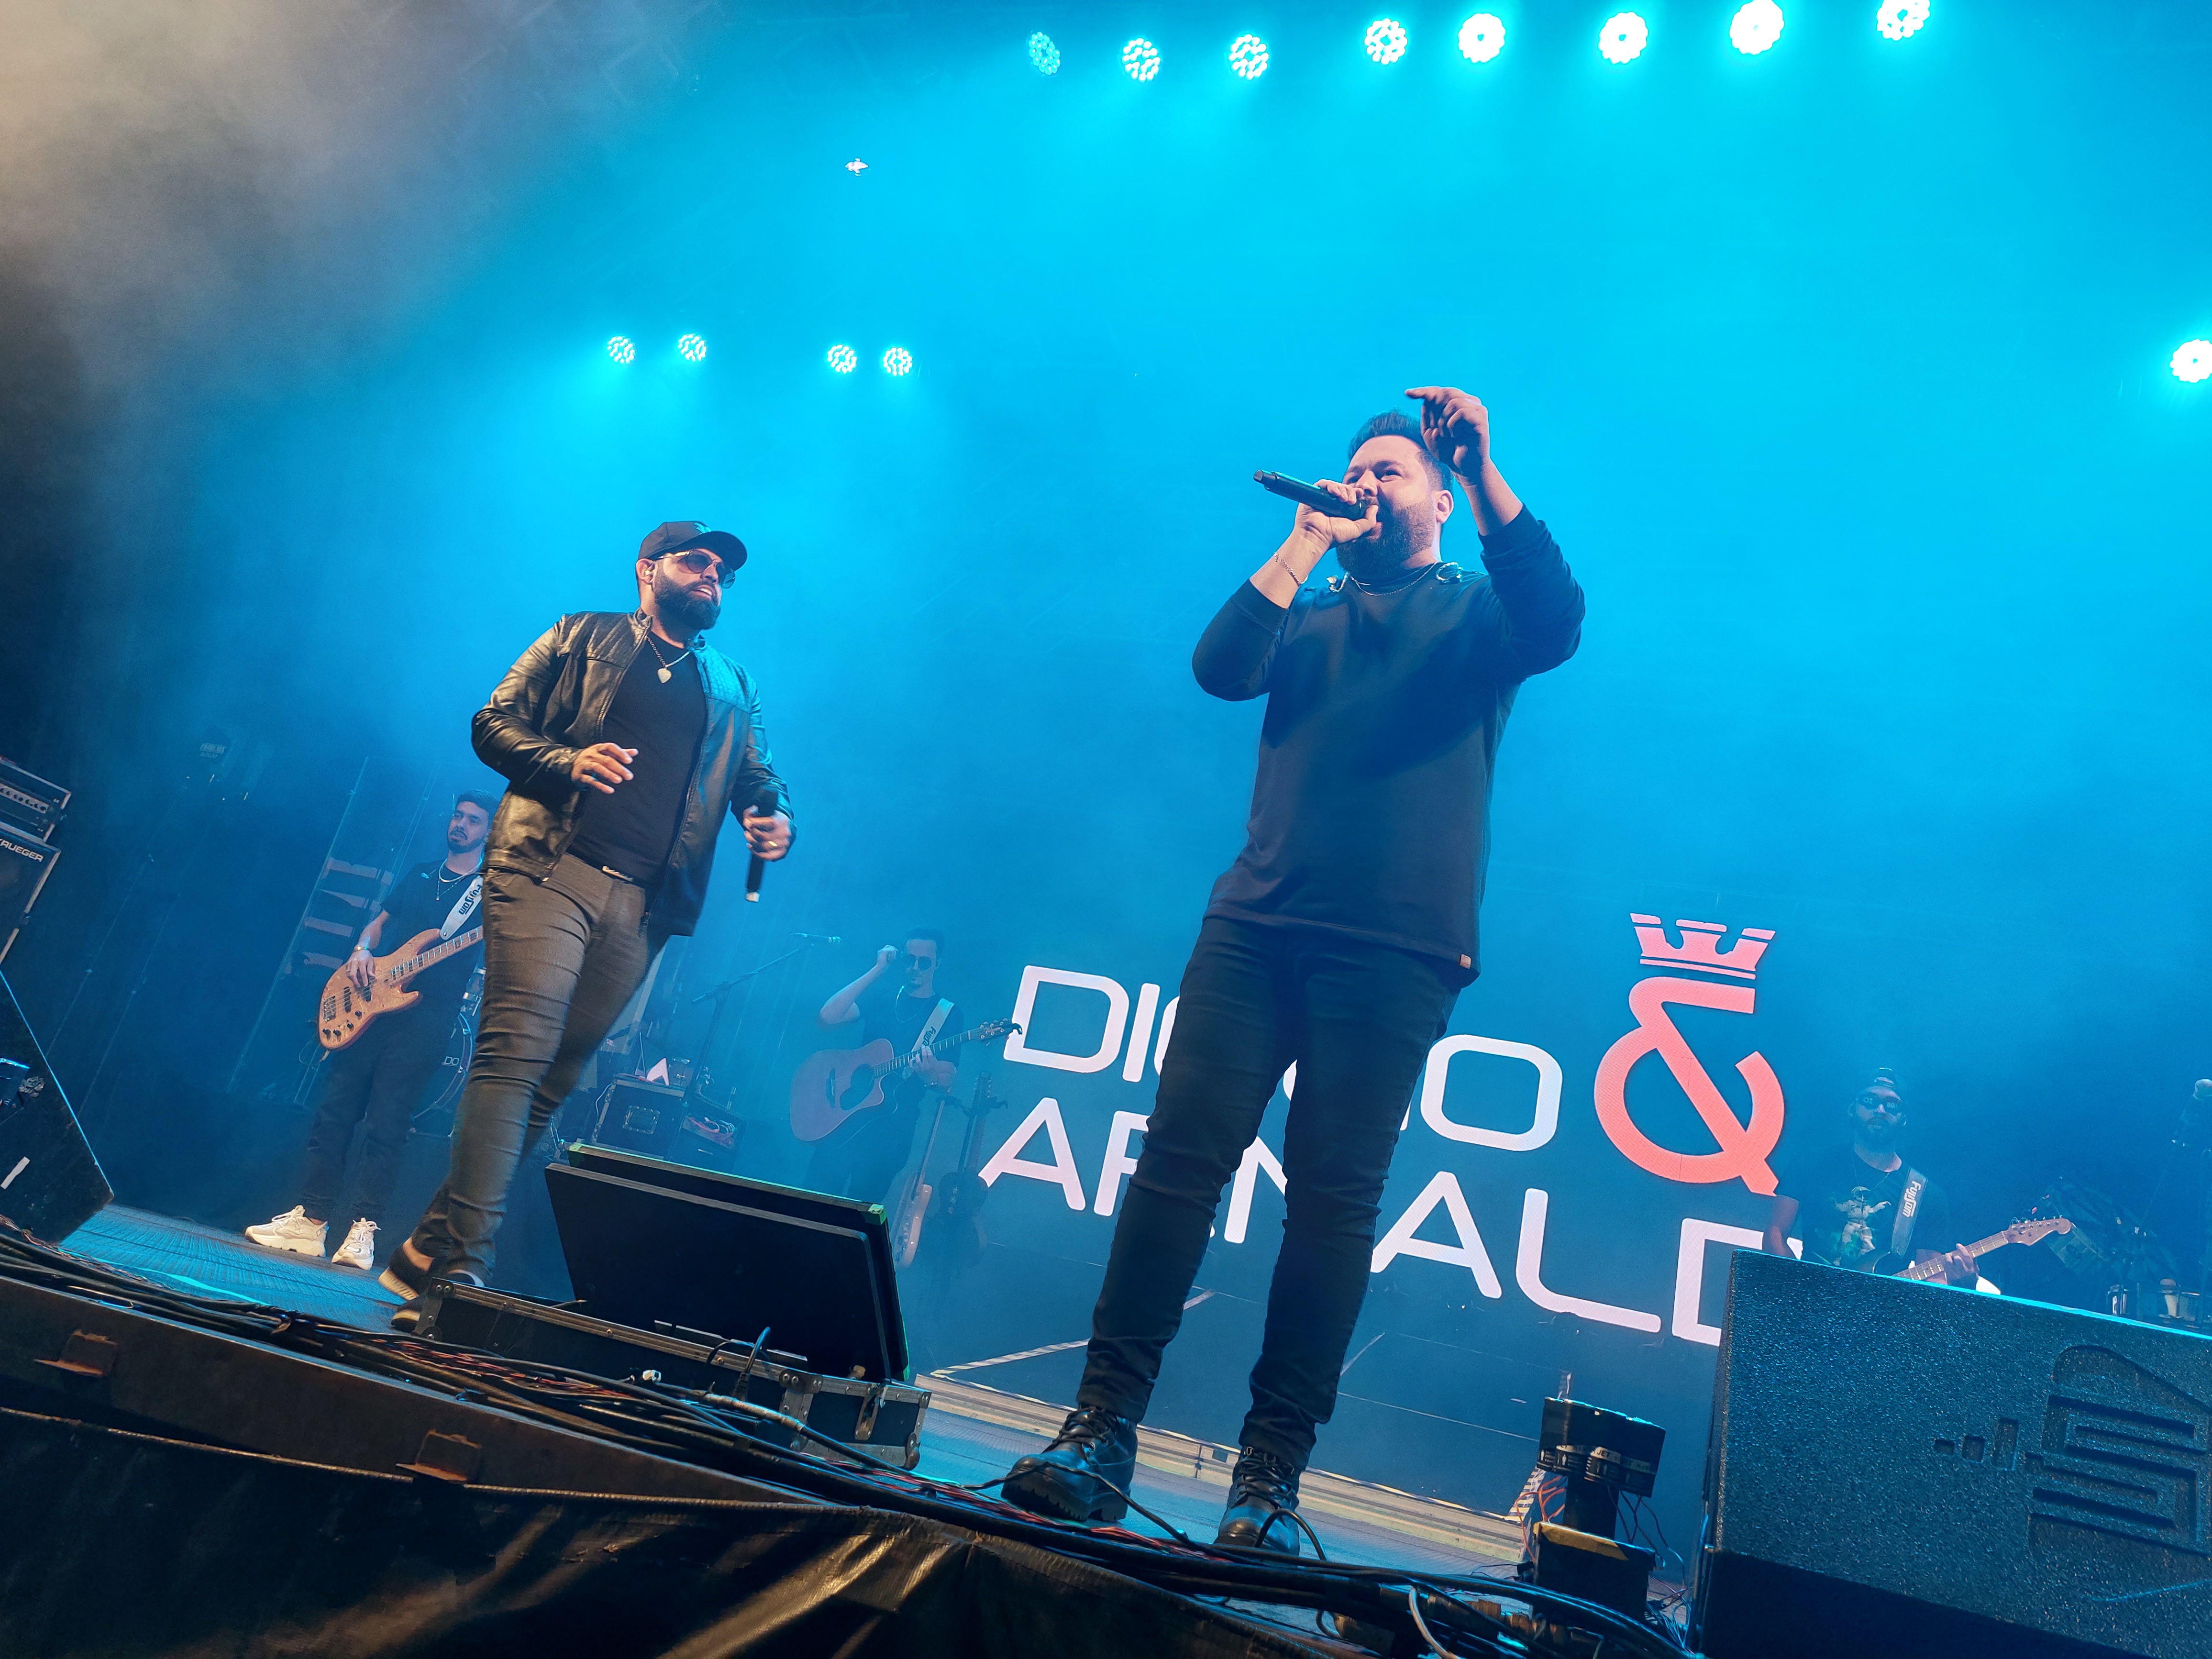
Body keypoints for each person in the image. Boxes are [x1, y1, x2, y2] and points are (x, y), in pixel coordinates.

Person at [1001, 387, 1585, 1554]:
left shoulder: (1475, 612)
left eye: (1389, 472)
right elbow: (1218, 669)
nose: (1365, 485)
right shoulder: (1307, 608)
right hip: (1255, 926)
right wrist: (1305, 537)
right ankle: (1099, 1432)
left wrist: (1480, 465)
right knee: (1175, 1167)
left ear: (1436, 500)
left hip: (1397, 948)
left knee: (1330, 1206)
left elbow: (1556, 619)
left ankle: (1267, 1481)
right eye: (1354, 470)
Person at [379, 520, 793, 1326]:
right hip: (548, 866)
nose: (712, 576)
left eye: (723, 571)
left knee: (556, 1077)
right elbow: (493, 721)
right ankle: (459, 1275)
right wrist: (567, 762)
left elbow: (758, 775)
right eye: (696, 561)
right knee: (516, 1052)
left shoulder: (733, 683)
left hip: (646, 903)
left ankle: (428, 1245)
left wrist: (774, 818)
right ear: (648, 570)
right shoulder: (581, 635)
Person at [245, 793, 495, 1271]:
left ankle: (363, 1231)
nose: (461, 824)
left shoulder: (488, 892)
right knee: (334, 1112)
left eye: (473, 820)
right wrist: (362, 949)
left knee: (387, 1123)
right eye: (458, 816)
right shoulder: (421, 873)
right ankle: (311, 1222)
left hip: (426, 1018)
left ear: (487, 832)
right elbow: (379, 924)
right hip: (370, 1004)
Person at [1764, 1070, 1978, 1283]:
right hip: (1809, 1296)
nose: (1880, 1110)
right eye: (1869, 1100)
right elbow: (1775, 1235)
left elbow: (1932, 1278)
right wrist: (1799, 1289)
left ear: (1904, 1118)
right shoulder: (1810, 1164)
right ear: (1852, 1109)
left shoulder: (1926, 1194)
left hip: (1883, 1304)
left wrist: (1964, 1284)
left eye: (1892, 1105)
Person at [807, 932, 962, 1205]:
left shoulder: (947, 1014)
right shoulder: (883, 996)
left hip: (891, 1132)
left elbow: (946, 1079)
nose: (915, 968)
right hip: (845, 1118)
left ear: (938, 964)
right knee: (812, 1201)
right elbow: (828, 1017)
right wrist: (878, 969)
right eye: (909, 960)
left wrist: (929, 1076)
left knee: (858, 1214)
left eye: (924, 962)